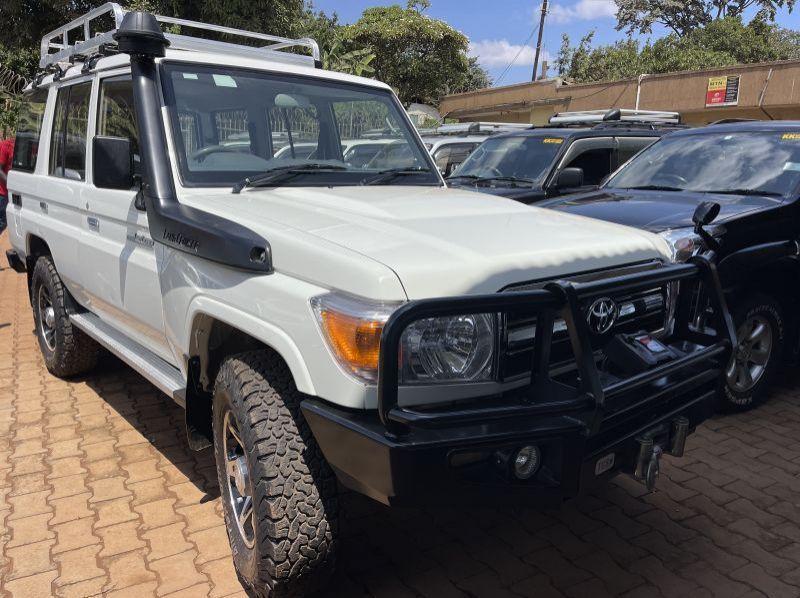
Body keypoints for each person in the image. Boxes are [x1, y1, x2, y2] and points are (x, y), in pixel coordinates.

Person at [0, 137, 13, 235]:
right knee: (2, 223)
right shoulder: (7, 145)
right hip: (3, 193)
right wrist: (11, 185)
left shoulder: (29, 144)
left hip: (15, 193)